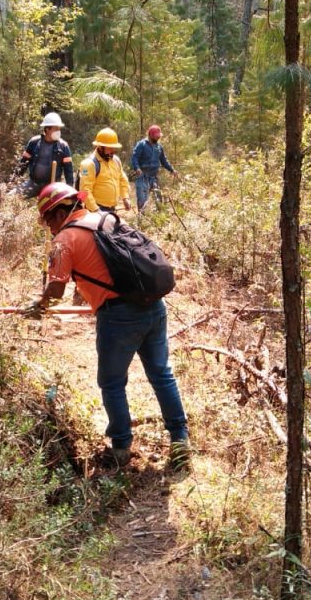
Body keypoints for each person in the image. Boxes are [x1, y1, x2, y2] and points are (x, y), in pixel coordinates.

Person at [23, 182, 191, 469]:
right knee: (162, 375)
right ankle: (179, 440)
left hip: (118, 318)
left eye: (48, 218)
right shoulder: (108, 218)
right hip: (153, 306)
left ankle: (121, 448)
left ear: (60, 211)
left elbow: (56, 290)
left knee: (112, 383)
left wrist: (37, 308)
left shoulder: (65, 240)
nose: (48, 226)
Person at [15, 112, 73, 198]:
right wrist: (14, 181)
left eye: (59, 129)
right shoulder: (34, 142)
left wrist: (70, 191)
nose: (58, 131)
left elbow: (69, 171)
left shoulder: (63, 146)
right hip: (33, 183)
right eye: (56, 128)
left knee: (57, 207)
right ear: (47, 129)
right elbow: (23, 163)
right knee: (13, 197)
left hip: (53, 187)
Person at [78, 128, 132, 213]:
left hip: (112, 209)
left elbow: (122, 179)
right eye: (110, 148)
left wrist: (125, 198)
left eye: (113, 148)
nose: (113, 151)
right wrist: (96, 210)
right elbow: (84, 190)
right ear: (100, 147)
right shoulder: (89, 164)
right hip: (95, 211)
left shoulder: (116, 161)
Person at [131, 125, 179, 211]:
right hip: (142, 176)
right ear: (150, 135)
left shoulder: (159, 147)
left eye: (158, 136)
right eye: (156, 136)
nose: (157, 138)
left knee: (159, 200)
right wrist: (137, 168)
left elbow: (164, 161)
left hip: (153, 177)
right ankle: (141, 219)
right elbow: (135, 157)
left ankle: (159, 219)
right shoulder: (141, 144)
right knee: (142, 201)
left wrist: (172, 170)